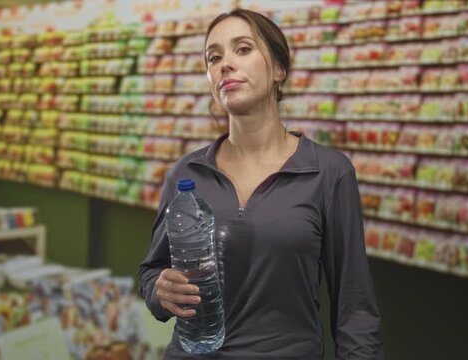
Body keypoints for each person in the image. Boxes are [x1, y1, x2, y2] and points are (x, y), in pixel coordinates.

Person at [138, 8, 384, 359]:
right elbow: (152, 271)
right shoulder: (186, 174)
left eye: (242, 49)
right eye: (214, 57)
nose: (225, 64)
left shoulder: (328, 172)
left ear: (279, 70)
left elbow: (355, 308)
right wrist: (159, 291)